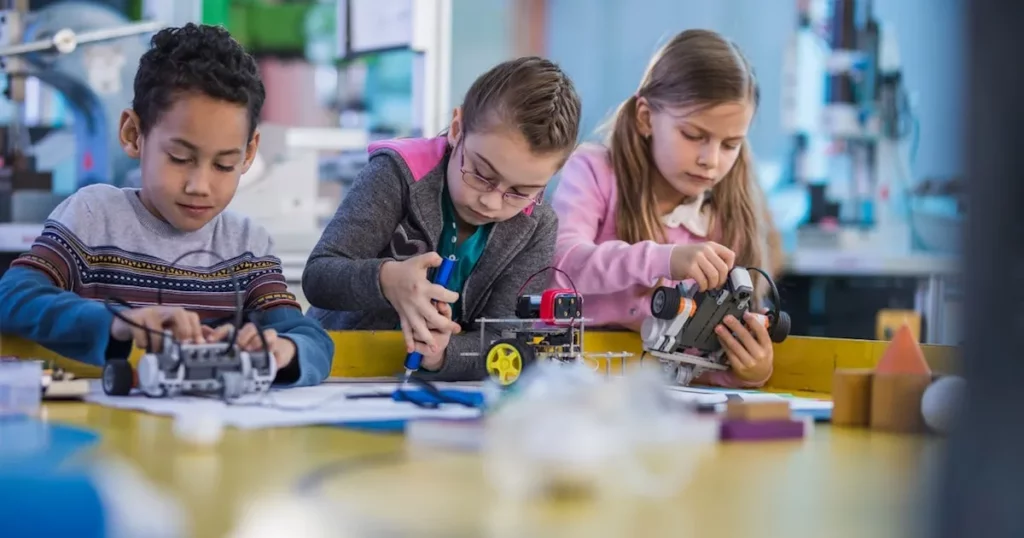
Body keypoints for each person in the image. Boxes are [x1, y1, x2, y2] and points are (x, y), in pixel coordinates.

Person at [0, 23, 333, 387]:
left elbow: (311, 338)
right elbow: (13, 295)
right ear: (133, 134)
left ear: (249, 153)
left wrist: (282, 348)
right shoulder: (93, 217)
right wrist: (118, 323)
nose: (199, 186)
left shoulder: (246, 247)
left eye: (224, 165)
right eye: (178, 157)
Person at [303, 56, 582, 382]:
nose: (491, 202)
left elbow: (509, 340)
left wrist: (444, 353)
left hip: (442, 395)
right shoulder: (397, 173)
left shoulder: (538, 225)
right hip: (337, 370)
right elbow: (319, 276)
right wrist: (386, 279)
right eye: (481, 174)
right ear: (456, 129)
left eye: (520, 191)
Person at [550, 29, 781, 388]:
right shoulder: (594, 170)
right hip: (573, 382)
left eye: (730, 144)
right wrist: (665, 259)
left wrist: (749, 372)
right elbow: (561, 268)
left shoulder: (727, 213)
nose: (710, 160)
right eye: (693, 136)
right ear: (646, 117)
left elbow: (701, 365)